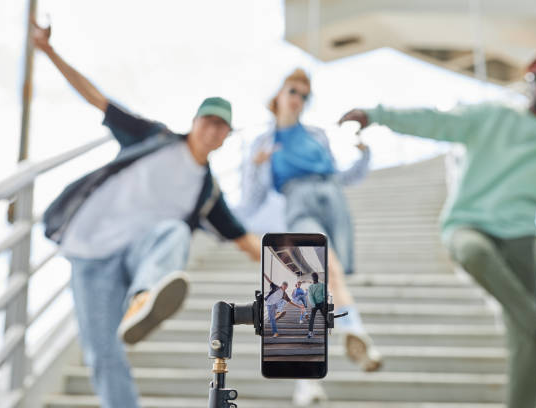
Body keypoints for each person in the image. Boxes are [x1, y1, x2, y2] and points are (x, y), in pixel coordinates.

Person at [340, 54, 536, 408]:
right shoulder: (495, 115)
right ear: (530, 83)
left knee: (527, 343)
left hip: (521, 240)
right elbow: (436, 122)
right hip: (469, 225)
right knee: (473, 253)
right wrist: (376, 115)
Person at [32, 20, 260, 408]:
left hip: (140, 257)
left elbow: (244, 240)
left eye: (222, 127)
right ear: (194, 122)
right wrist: (50, 53)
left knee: (174, 231)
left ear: (226, 137)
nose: (213, 131)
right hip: (89, 255)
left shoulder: (208, 192)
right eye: (209, 121)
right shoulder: (152, 137)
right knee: (102, 355)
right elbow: (97, 99)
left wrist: (295, 269)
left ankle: (144, 297)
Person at [238, 68, 382, 372]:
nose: (298, 99)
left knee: (330, 272)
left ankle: (345, 337)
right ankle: (350, 328)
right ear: (277, 95)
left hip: (332, 201)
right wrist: (254, 165)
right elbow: (252, 198)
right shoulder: (263, 144)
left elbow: (340, 176)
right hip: (298, 203)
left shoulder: (316, 135)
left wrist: (365, 157)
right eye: (292, 91)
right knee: (323, 264)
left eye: (304, 95)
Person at [307, 273, 326, 338]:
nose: (314, 278)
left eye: (315, 277)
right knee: (312, 318)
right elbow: (310, 296)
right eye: (313, 277)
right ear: (312, 278)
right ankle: (310, 332)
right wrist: (313, 305)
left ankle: (329, 329)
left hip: (321, 303)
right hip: (314, 304)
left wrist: (324, 302)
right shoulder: (310, 287)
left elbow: (324, 294)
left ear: (317, 277)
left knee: (326, 315)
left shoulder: (322, 285)